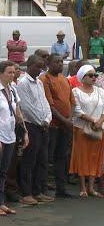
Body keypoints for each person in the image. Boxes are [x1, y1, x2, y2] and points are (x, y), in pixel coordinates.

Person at [0, 61, 28, 216]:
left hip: (10, 136)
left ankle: (0, 201)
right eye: (9, 72)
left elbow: (18, 113)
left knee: (4, 171)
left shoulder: (13, 90)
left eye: (13, 72)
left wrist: (25, 132)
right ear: (0, 73)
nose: (12, 75)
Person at [17, 55, 54, 204]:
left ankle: (38, 191)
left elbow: (45, 103)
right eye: (37, 67)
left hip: (43, 126)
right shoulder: (23, 83)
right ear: (29, 65)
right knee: (29, 160)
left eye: (41, 67)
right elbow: (26, 107)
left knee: (42, 160)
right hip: (31, 125)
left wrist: (47, 119)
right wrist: (40, 121)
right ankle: (26, 193)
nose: (40, 70)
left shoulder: (39, 83)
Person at [40, 54, 77, 198]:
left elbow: (72, 101)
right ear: (48, 63)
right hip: (53, 125)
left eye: (61, 62)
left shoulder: (64, 80)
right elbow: (50, 104)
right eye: (56, 62)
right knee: (47, 157)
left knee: (61, 156)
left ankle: (61, 188)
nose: (60, 64)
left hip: (65, 126)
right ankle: (43, 188)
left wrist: (69, 119)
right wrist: (64, 120)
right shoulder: (45, 80)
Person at [69, 65, 104, 198]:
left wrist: (99, 121)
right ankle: (83, 187)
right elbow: (77, 111)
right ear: (82, 77)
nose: (94, 78)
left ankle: (91, 187)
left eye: (95, 75)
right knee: (82, 156)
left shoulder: (100, 91)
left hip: (99, 128)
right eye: (90, 75)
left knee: (95, 156)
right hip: (82, 128)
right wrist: (93, 121)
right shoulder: (75, 91)